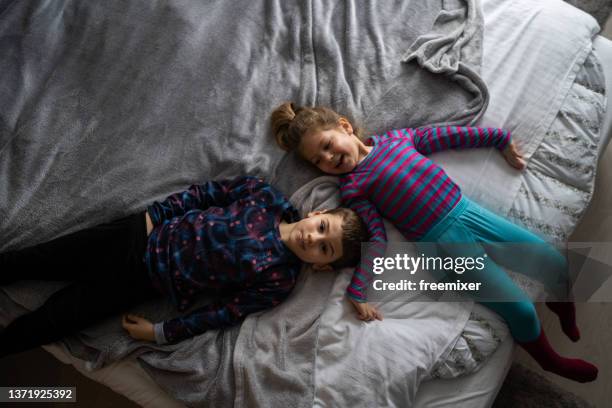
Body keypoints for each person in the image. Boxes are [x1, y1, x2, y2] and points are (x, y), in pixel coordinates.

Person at [269, 102, 598, 383]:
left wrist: (499, 138)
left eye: (327, 145)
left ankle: (562, 306)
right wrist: (358, 289)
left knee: (551, 260)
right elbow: (377, 237)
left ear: (344, 127)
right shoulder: (353, 189)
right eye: (318, 160)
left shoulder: (398, 139)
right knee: (522, 311)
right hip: (442, 248)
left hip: (468, 214)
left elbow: (451, 136)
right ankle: (551, 361)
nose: (328, 158)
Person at [0, 176, 367, 357]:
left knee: (59, 318)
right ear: (318, 214)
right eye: (322, 229)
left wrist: (161, 332)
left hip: (144, 283)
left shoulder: (278, 280)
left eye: (324, 249)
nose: (314, 240)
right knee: (40, 259)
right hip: (138, 236)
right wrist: (156, 214)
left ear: (321, 267)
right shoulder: (266, 197)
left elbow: (222, 313)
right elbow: (206, 194)